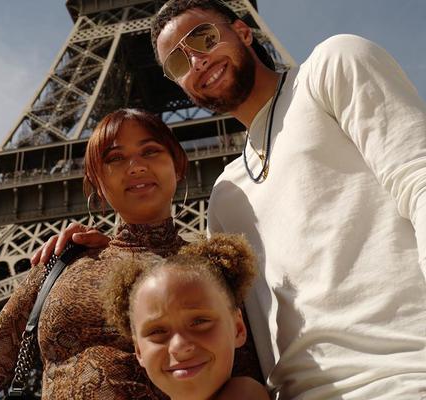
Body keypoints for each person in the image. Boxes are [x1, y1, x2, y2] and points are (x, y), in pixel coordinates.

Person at [38, 0, 426, 398]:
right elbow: (210, 315)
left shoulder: (330, 67)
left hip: (406, 376)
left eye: (204, 37)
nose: (197, 60)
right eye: (177, 62)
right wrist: (115, 253)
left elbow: (420, 181)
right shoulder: (226, 193)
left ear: (242, 31)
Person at [0, 108, 262, 399]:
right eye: (115, 158)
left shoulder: (209, 272)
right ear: (96, 183)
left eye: (151, 151)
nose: (136, 166)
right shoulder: (64, 260)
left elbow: (248, 378)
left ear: (178, 166)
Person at [102, 233, 270, 400]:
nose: (179, 346)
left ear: (238, 329)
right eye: (157, 331)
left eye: (200, 321)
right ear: (139, 351)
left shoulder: (245, 393)